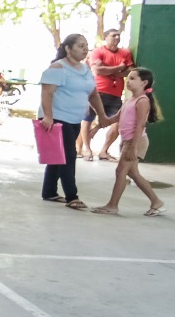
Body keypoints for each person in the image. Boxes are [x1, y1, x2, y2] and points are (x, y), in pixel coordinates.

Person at [38, 33, 115, 211]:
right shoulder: (57, 68)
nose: (85, 49)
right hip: (56, 117)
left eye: (86, 45)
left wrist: (102, 115)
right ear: (68, 48)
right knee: (68, 155)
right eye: (80, 45)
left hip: (74, 118)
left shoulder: (85, 69)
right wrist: (48, 116)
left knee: (59, 155)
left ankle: (49, 191)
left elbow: (93, 94)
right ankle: (72, 196)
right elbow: (47, 93)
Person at [92, 67, 165, 216]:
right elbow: (115, 118)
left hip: (135, 141)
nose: (128, 81)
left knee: (120, 171)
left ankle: (112, 205)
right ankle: (156, 202)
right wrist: (97, 127)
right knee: (134, 174)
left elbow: (140, 125)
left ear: (144, 82)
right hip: (128, 141)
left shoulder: (142, 101)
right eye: (128, 78)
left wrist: (133, 147)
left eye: (133, 78)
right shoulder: (129, 100)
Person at [81, 29, 133, 161]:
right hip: (96, 92)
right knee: (87, 120)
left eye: (118, 35)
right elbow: (97, 70)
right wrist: (119, 67)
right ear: (105, 38)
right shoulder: (98, 51)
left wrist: (109, 69)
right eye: (113, 35)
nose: (116, 37)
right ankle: (86, 149)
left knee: (119, 122)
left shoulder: (125, 53)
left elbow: (131, 71)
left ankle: (104, 151)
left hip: (115, 94)